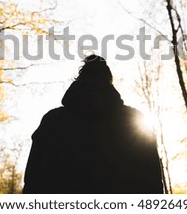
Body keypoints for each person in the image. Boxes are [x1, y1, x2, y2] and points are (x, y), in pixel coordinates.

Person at [23, 55, 163, 194]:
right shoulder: (136, 121)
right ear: (109, 81)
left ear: (80, 79)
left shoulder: (52, 122)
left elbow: (33, 181)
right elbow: (153, 182)